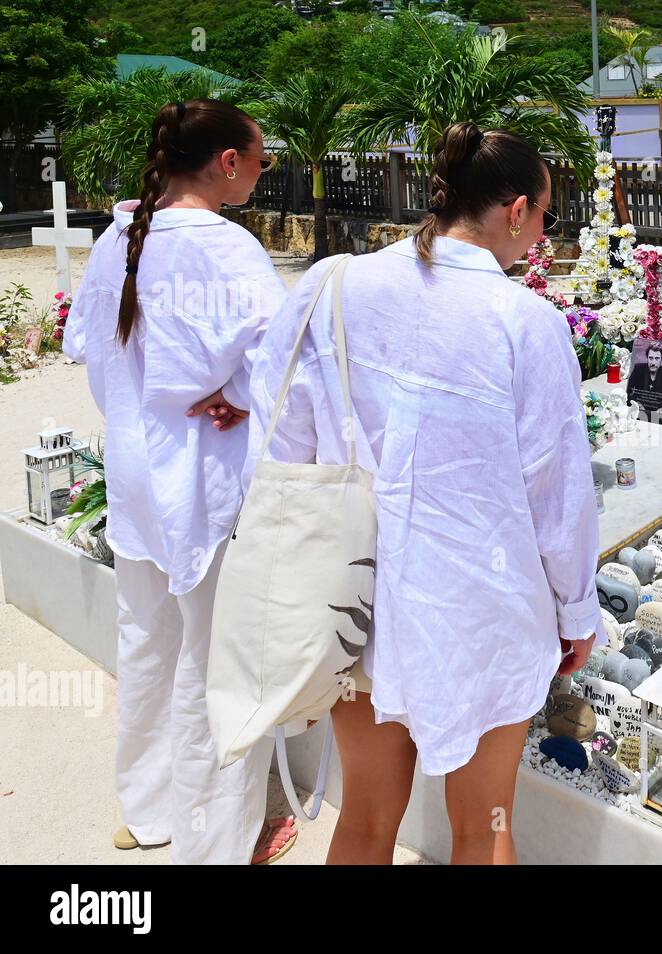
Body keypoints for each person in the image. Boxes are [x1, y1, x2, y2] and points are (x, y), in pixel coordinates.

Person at [245, 122, 602, 865]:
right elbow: (555, 491)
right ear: (514, 210)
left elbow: (282, 439)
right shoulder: (525, 322)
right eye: (545, 217)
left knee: (366, 821)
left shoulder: (334, 283)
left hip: (354, 595)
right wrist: (576, 609)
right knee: (485, 828)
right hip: (476, 609)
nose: (541, 237)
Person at [62, 99, 296, 864]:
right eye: (260, 160)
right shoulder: (229, 251)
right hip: (205, 482)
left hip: (134, 475)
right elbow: (288, 366)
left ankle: (148, 808)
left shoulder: (117, 241)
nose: (264, 174)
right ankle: (214, 841)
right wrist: (233, 395)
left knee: (147, 641)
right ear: (227, 162)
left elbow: (83, 344)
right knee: (217, 663)